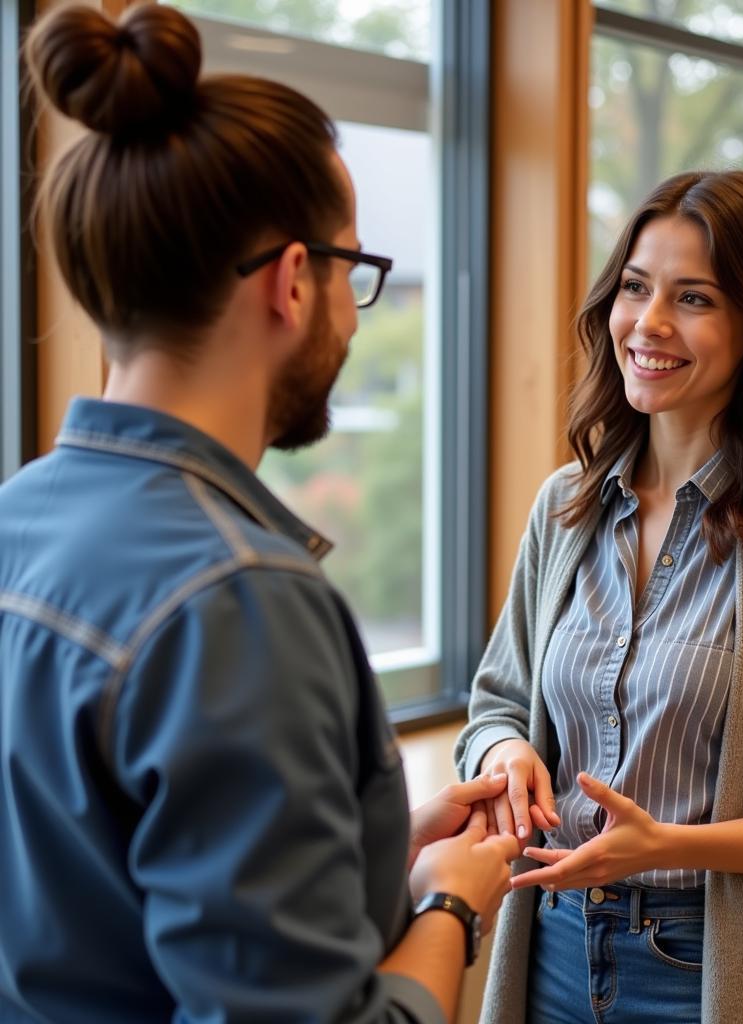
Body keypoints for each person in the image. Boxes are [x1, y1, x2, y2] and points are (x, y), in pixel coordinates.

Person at [0, 5, 518, 1022]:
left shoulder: (18, 519)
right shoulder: (239, 600)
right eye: (355, 268)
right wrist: (453, 903)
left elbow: (98, 882)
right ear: (292, 280)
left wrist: (374, 854)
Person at [455, 170, 743, 1024]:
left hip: (707, 970)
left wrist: (670, 848)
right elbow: (495, 706)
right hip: (549, 949)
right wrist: (505, 757)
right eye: (635, 287)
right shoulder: (567, 505)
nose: (649, 323)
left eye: (693, 297)